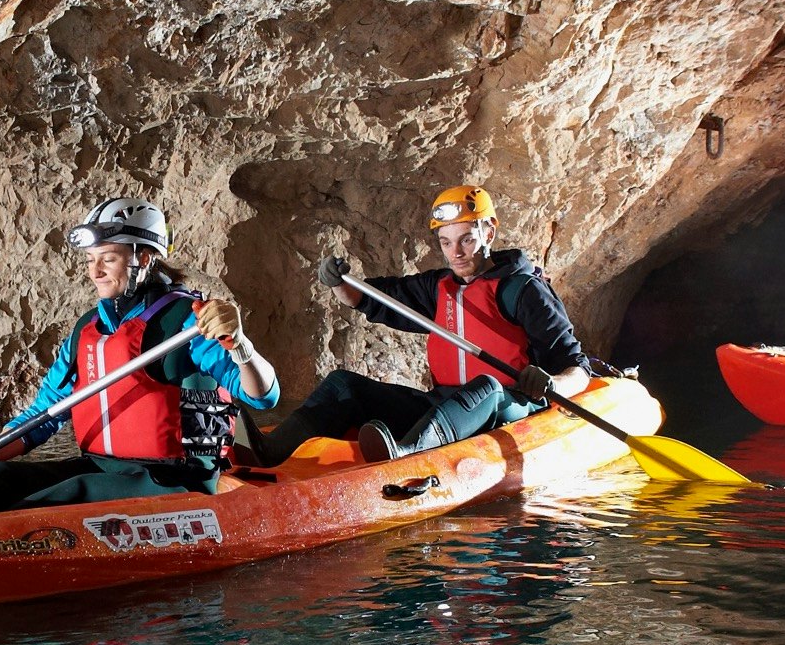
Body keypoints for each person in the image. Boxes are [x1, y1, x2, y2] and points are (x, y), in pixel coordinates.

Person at [0, 198, 279, 521]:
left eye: (108, 259)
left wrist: (239, 344)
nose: (95, 271)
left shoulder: (189, 323)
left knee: (63, 495)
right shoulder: (88, 329)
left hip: (174, 480)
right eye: (91, 260)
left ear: (144, 259)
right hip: (101, 466)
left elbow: (264, 396)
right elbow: (42, 417)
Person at [253, 184, 592, 464]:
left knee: (486, 386)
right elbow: (370, 299)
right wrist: (338, 281)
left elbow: (578, 369)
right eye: (446, 242)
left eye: (466, 240)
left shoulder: (525, 290)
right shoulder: (438, 287)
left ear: (488, 232)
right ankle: (270, 450)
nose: (456, 252)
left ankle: (408, 455)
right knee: (343, 384)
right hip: (444, 408)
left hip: (508, 408)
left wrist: (551, 382)